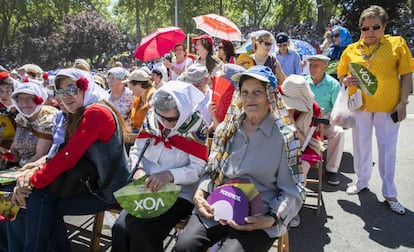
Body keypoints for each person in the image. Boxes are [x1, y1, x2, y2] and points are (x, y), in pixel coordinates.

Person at [175, 65, 303, 252]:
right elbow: (211, 171)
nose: (250, 98)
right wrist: (200, 193)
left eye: (257, 92)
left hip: (260, 214)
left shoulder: (285, 138)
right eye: (245, 92)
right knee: (184, 247)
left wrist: (272, 218)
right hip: (220, 204)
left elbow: (292, 190)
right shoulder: (225, 130)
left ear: (270, 96)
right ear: (239, 97)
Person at [11, 68, 130, 251]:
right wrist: (34, 171)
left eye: (72, 89)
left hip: (108, 191)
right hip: (90, 183)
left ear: (85, 88)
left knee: (39, 203)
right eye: (60, 91)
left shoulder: (96, 113)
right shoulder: (79, 112)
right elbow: (60, 152)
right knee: (38, 203)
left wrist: (33, 181)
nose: (66, 96)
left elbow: (68, 157)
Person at [112, 81, 209, 252]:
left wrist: (169, 175)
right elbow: (136, 150)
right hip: (145, 187)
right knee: (120, 228)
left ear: (184, 109)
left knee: (142, 231)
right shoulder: (152, 116)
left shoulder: (196, 126)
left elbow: (199, 169)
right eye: (160, 116)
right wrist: (139, 168)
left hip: (178, 192)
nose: (164, 123)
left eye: (170, 119)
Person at [337, 5, 414, 215]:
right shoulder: (351, 49)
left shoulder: (396, 44)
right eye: (365, 28)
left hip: (387, 106)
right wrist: (346, 79)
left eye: (375, 27)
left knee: (387, 148)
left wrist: (403, 102)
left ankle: (390, 193)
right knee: (360, 146)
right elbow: (341, 74)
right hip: (360, 105)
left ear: (384, 26)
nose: (370, 32)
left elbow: (407, 73)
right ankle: (362, 181)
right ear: (360, 28)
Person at [305, 54, 345, 185]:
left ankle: (332, 169)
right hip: (305, 121)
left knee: (339, 132)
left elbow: (337, 110)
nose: (312, 68)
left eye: (316, 65)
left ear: (325, 67)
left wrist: (325, 119)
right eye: (311, 65)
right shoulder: (303, 82)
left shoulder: (333, 84)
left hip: (325, 121)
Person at [124, 69, 156, 133]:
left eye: (131, 87)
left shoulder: (153, 96)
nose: (130, 89)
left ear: (139, 85)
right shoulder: (139, 97)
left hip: (146, 133)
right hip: (136, 130)